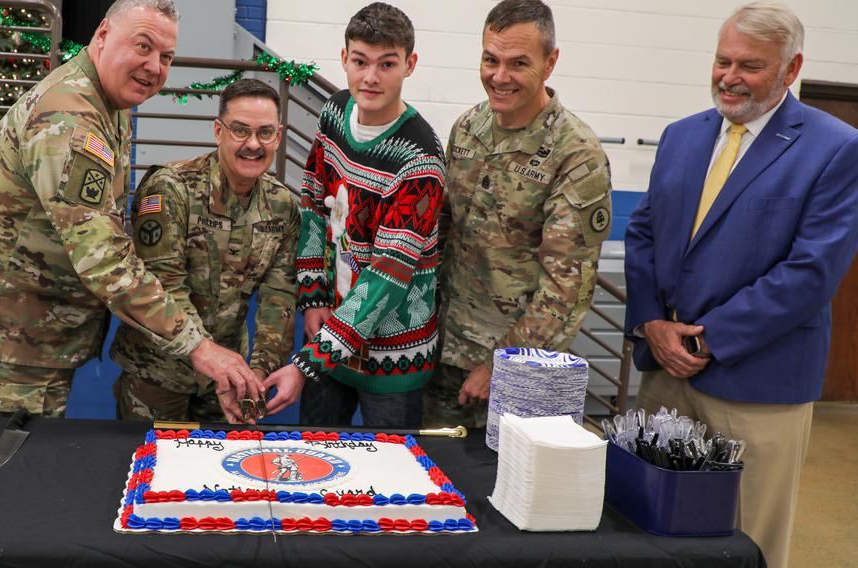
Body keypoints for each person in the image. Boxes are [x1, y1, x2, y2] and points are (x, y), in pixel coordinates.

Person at [624, 3, 858, 566]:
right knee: (645, 525)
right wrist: (653, 323)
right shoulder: (681, 136)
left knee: (747, 540)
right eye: (722, 60)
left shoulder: (834, 149)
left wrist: (704, 341)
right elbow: (644, 233)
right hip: (665, 375)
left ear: (791, 67)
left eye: (749, 65)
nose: (729, 77)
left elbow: (810, 274)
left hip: (757, 383)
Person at [0, 0, 262, 420]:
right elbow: (103, 259)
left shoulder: (107, 104)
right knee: (2, 473)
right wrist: (198, 346)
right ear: (102, 35)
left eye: (166, 56)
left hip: (35, 337)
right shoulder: (70, 119)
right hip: (10, 349)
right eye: (143, 46)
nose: (154, 66)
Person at [422, 0, 613, 428]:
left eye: (518, 63)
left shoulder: (576, 154)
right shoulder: (468, 127)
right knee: (440, 482)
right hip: (444, 355)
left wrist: (502, 365)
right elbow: (445, 234)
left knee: (509, 488)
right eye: (491, 59)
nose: (499, 76)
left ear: (550, 63)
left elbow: (567, 288)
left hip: (517, 374)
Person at [263, 2, 445, 427]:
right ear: (343, 59)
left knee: (395, 472)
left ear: (410, 64)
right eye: (360, 61)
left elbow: (386, 278)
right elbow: (312, 203)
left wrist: (307, 364)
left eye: (387, 64)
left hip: (394, 356)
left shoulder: (420, 161)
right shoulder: (335, 112)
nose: (371, 77)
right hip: (328, 332)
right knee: (317, 459)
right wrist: (313, 299)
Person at [109, 79, 300, 423]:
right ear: (218, 131)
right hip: (158, 374)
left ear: (279, 136)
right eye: (240, 130)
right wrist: (213, 362)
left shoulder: (283, 206)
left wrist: (256, 375)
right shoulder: (172, 189)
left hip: (228, 379)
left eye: (265, 132)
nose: (253, 144)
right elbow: (164, 286)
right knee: (149, 471)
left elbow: (279, 301)